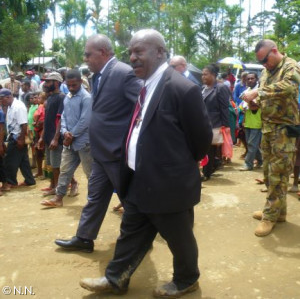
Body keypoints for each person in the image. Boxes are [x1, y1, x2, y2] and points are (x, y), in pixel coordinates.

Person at [79, 29, 212, 298]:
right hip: (139, 178)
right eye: (130, 52)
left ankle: (187, 279)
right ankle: (116, 278)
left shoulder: (181, 89)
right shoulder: (144, 86)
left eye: (139, 51)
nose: (132, 57)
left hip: (168, 183)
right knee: (131, 231)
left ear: (160, 52)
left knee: (178, 236)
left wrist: (173, 167)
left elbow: (201, 139)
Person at [54, 34, 141, 252]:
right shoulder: (97, 76)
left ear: (102, 52)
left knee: (129, 198)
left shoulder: (123, 73)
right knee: (95, 196)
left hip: (117, 151)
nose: (85, 58)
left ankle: (141, 239)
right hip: (101, 151)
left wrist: (128, 140)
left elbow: (144, 107)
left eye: (87, 54)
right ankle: (84, 238)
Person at [243, 39, 300, 237]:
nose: (263, 65)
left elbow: (290, 88)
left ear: (274, 51)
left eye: (265, 60)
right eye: (261, 62)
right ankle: (279, 212)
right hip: (268, 128)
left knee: (278, 174)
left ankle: (270, 216)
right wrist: (254, 103)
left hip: (284, 130)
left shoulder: (290, 66)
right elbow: (266, 96)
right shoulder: (267, 71)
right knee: (268, 172)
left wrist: (258, 92)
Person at [41, 69, 92, 207]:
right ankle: (58, 198)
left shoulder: (86, 98)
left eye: (74, 85)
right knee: (64, 170)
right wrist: (65, 132)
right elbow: (63, 117)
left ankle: (93, 202)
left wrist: (72, 134)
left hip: (84, 143)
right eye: (68, 85)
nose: (71, 88)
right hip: (69, 142)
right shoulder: (68, 97)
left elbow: (85, 120)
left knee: (90, 174)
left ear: (81, 82)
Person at [0, 88, 36, 189]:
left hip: (17, 137)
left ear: (8, 97)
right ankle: (30, 180)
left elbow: (24, 124)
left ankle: (11, 182)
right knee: (23, 161)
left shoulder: (18, 106)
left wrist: (21, 140)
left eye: (2, 99)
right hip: (14, 135)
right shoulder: (10, 106)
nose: (1, 101)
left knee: (9, 160)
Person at [38, 72, 65, 197]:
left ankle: (59, 188)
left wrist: (55, 138)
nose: (46, 84)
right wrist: (42, 137)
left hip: (56, 137)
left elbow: (60, 119)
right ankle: (53, 185)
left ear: (56, 83)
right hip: (48, 136)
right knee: (51, 164)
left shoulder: (61, 97)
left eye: (49, 81)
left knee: (57, 165)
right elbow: (47, 119)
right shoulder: (49, 98)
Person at [201, 64, 230, 180]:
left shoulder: (220, 88)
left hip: (215, 123)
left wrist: (226, 125)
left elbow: (224, 107)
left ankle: (206, 172)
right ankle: (214, 165)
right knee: (207, 149)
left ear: (213, 75)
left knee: (209, 149)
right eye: (202, 74)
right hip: (203, 123)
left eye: (205, 74)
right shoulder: (202, 88)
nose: (203, 77)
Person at [239, 72, 262, 171]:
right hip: (248, 121)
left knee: (252, 144)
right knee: (251, 143)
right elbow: (242, 107)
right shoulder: (247, 91)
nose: (250, 80)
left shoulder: (258, 91)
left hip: (257, 121)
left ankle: (248, 164)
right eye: (248, 79)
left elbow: (255, 107)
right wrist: (243, 121)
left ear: (256, 79)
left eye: (252, 78)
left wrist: (248, 101)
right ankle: (260, 160)